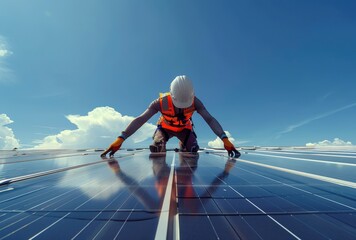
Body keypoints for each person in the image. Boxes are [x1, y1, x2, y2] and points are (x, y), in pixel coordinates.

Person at [101, 75, 240, 158]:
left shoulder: (196, 102)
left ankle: (183, 144)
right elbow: (141, 119)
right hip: (165, 129)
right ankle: (161, 175)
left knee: (192, 150)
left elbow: (209, 119)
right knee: (157, 147)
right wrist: (122, 138)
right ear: (171, 95)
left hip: (185, 130)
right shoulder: (160, 103)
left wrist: (224, 138)